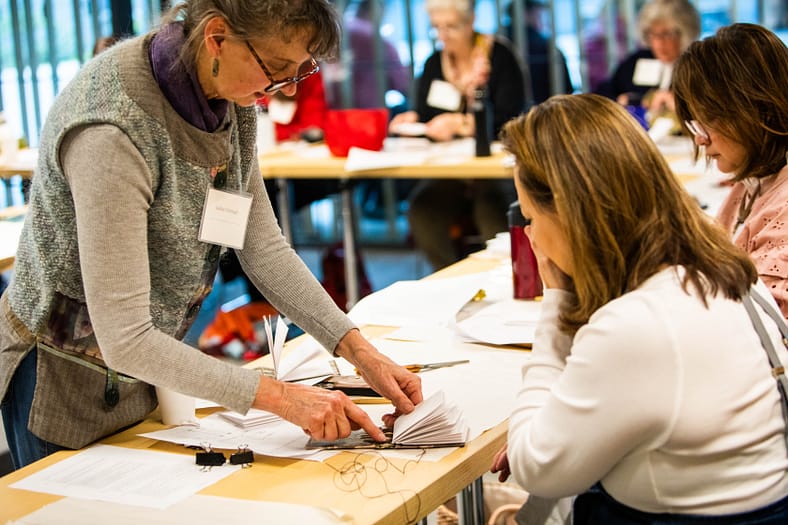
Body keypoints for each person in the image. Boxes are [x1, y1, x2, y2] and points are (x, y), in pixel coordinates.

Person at [0, 0, 422, 471]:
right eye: (276, 70)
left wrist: (360, 351)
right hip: (61, 380)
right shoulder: (111, 128)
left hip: (141, 370)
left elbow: (261, 245)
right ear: (217, 37)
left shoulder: (227, 93)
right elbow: (125, 338)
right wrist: (282, 399)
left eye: (295, 74)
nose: (276, 90)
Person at [490, 94, 788, 522]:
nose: (531, 235)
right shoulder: (717, 269)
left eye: (532, 217)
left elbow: (537, 468)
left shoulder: (638, 325)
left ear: (572, 214)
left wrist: (556, 299)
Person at [389, 0, 526, 270]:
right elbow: (425, 113)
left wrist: (462, 124)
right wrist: (414, 120)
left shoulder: (499, 56)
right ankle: (450, 281)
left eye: (450, 27)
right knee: (422, 210)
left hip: (492, 168)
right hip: (450, 169)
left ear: (470, 22)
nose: (442, 36)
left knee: (491, 211)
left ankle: (502, 282)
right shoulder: (433, 63)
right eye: (436, 28)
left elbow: (510, 117)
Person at [673, 23, 788, 319]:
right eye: (694, 125)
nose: (700, 139)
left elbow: (765, 321)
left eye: (707, 121)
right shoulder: (753, 183)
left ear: (758, 109)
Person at [594, 0, 699, 119]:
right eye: (652, 34)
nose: (659, 43)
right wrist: (621, 100)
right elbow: (601, 94)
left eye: (667, 34)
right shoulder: (638, 60)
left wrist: (680, 105)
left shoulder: (697, 66)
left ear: (685, 33)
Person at [505, 0, 573, 104]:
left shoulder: (496, 44)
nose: (543, 21)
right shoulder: (546, 47)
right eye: (540, 15)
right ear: (525, 14)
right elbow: (566, 91)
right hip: (545, 113)